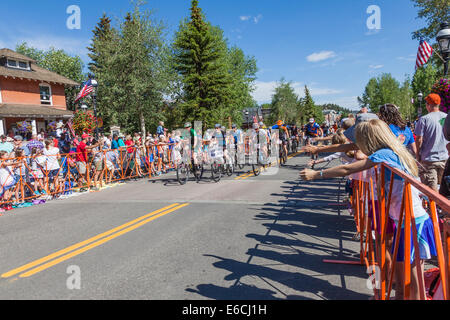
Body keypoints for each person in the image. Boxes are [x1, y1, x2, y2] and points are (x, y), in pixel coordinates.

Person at [300, 119, 437, 300]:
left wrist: (317, 174)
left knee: (413, 280)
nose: (358, 145)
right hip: (404, 219)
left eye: (361, 140)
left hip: (413, 221)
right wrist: (319, 150)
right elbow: (348, 149)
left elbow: (348, 168)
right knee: (404, 275)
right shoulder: (389, 151)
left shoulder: (385, 154)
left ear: (370, 139)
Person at [414, 93, 448, 191]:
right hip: (445, 159)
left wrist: (418, 155)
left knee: (432, 193)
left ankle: (434, 206)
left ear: (428, 105)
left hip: (429, 160)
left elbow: (419, 139)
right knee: (444, 192)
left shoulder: (424, 119)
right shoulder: (446, 117)